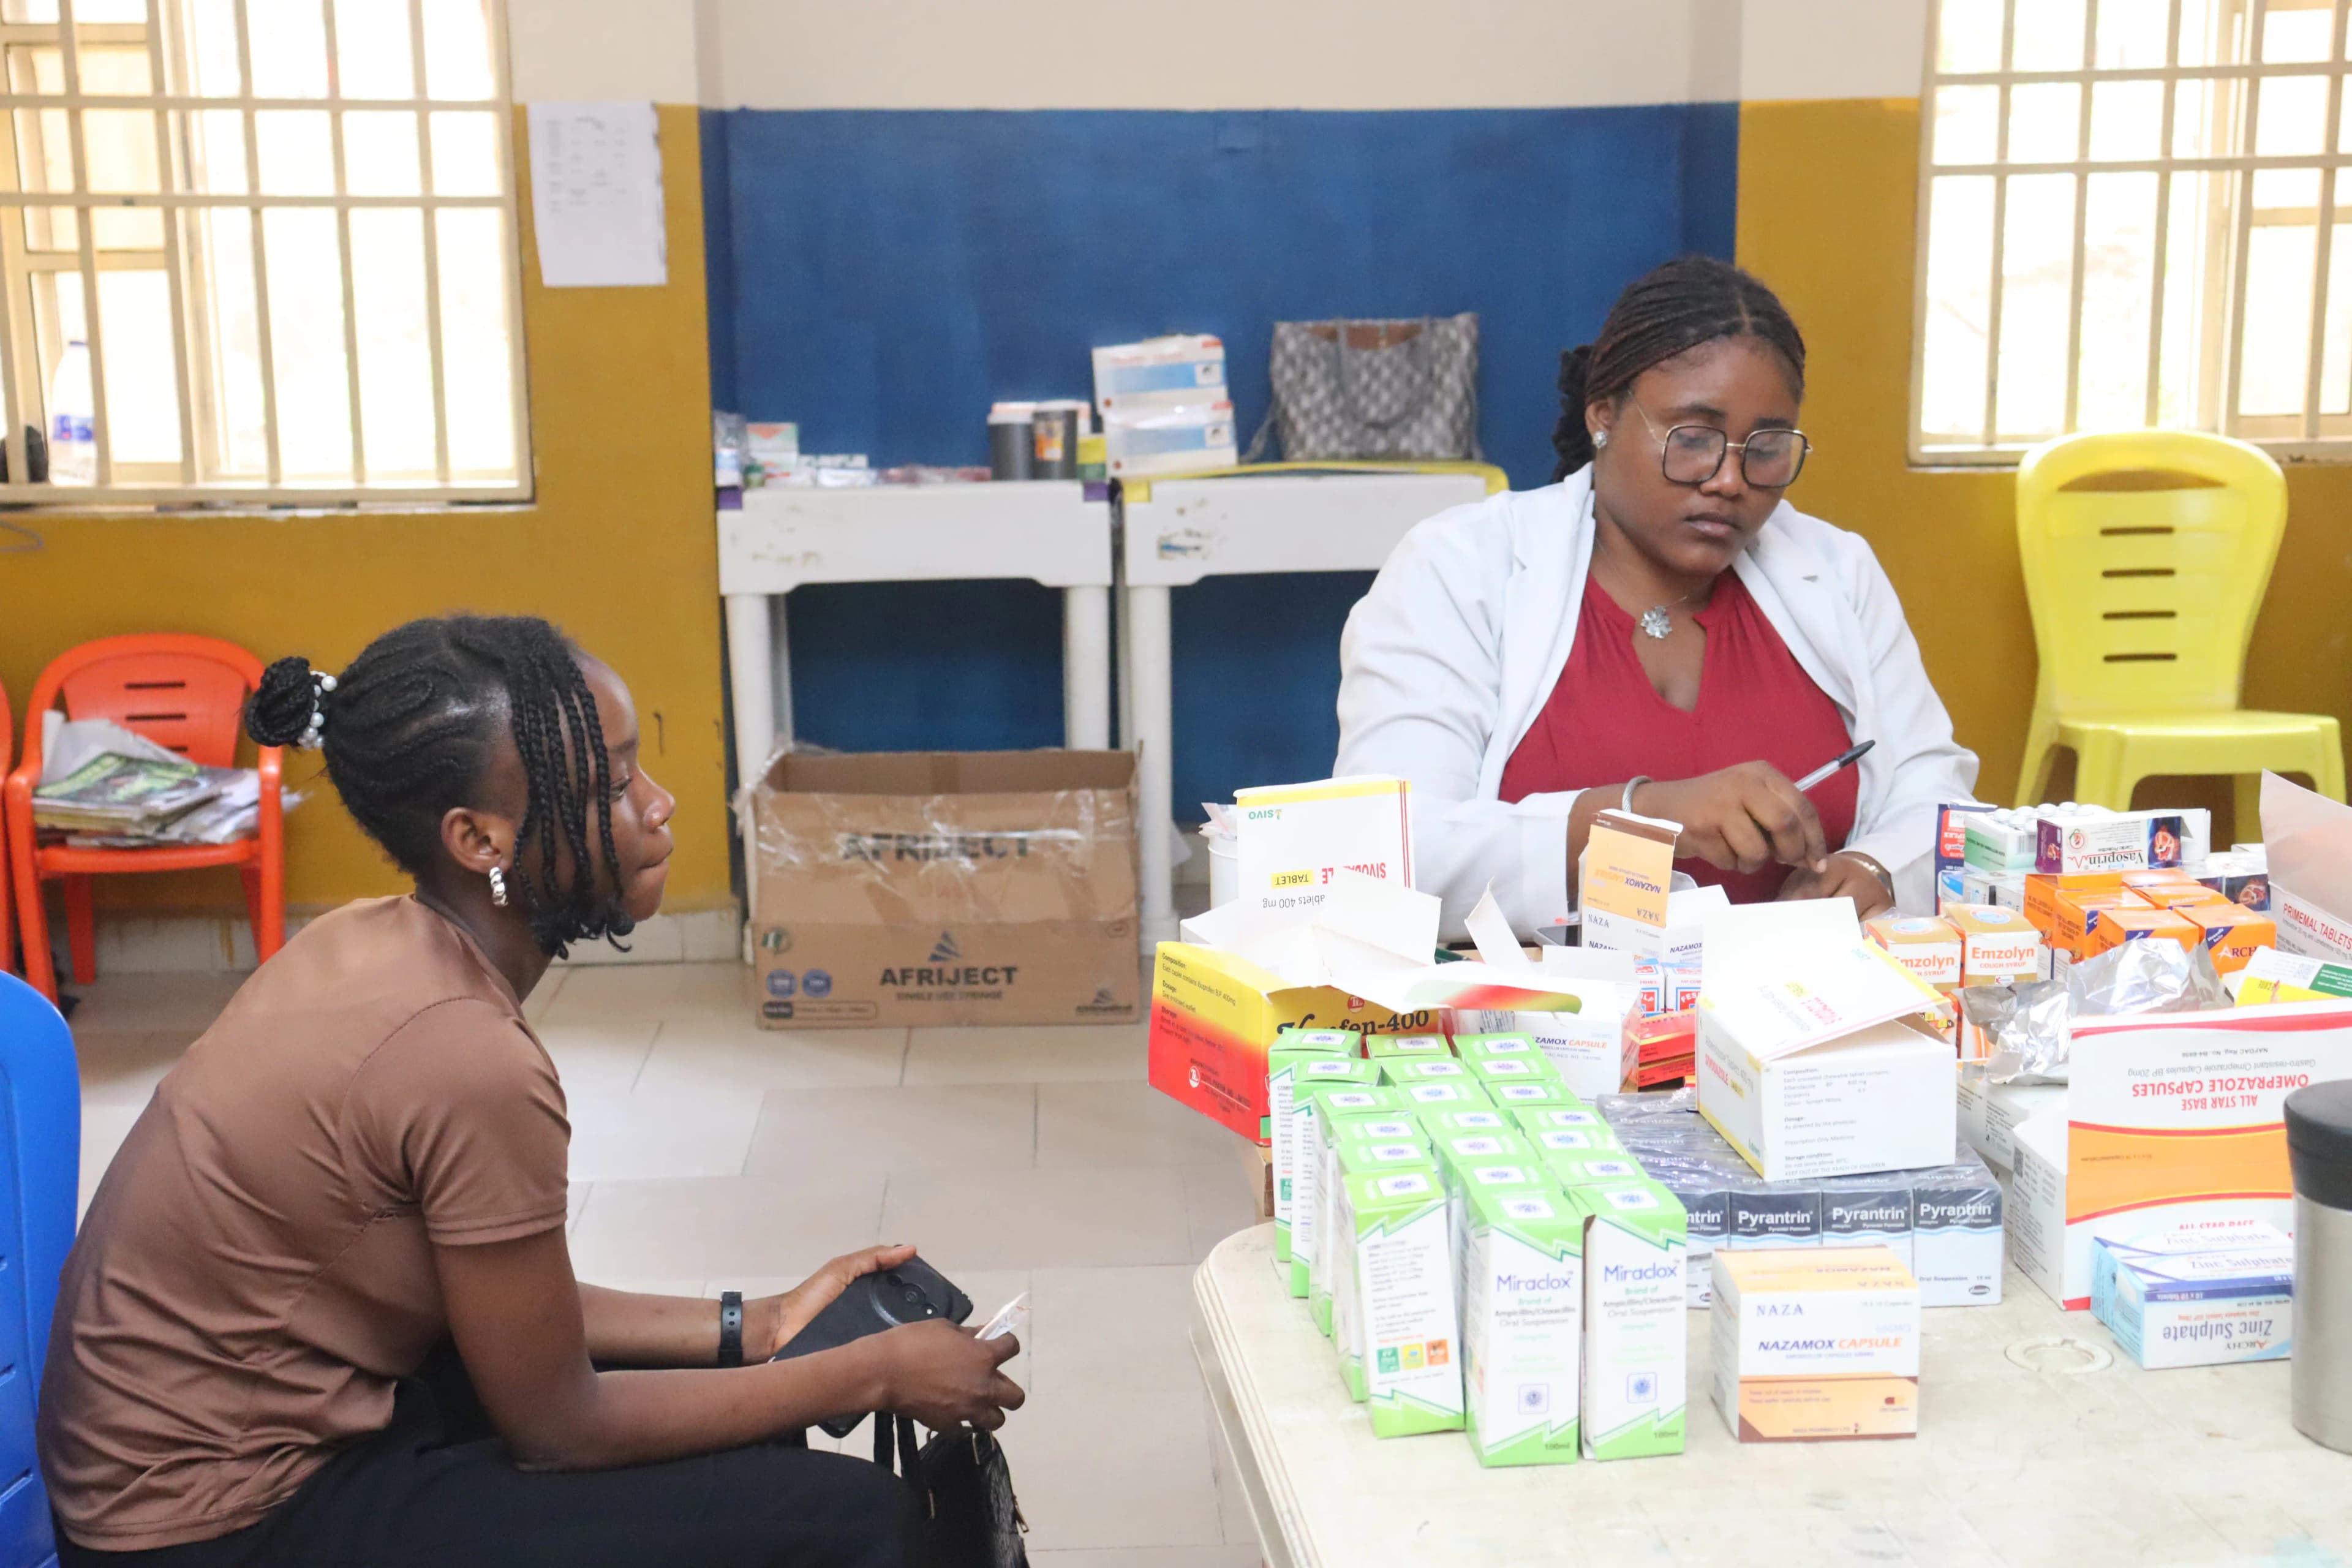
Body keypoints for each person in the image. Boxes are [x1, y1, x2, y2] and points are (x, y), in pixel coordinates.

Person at [37, 615, 1022, 1568]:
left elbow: (508, 1315)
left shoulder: (368, 939)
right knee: (855, 1521)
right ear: (478, 840)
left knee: (751, 1428)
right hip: (214, 1526)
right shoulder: (468, 1057)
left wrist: (758, 1326)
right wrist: (874, 1370)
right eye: (610, 783)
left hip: (247, 1440)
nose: (660, 803)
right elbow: (561, 1428)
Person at [1336, 255, 1977, 935]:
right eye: (1693, 438)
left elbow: (1932, 784)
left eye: (1764, 449)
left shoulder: (1835, 569)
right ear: (1603, 414)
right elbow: (1387, 850)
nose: (1729, 480)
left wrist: (1879, 867)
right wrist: (1643, 818)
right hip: (1549, 1017)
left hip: (1796, 1010)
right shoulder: (1460, 567)